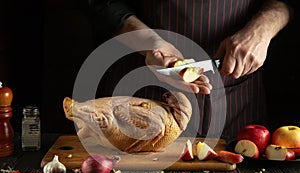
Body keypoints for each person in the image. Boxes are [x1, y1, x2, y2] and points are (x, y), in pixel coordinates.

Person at [87, 0, 293, 143]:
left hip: (236, 102)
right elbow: (102, 3)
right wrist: (151, 43)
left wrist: (262, 30)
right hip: (142, 90)